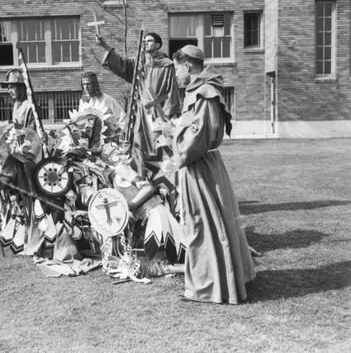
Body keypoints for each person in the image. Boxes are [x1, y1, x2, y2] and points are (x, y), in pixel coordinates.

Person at [168, 45, 255, 304]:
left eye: (175, 69)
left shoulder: (203, 94)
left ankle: (209, 286)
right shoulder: (199, 91)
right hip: (204, 165)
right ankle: (213, 280)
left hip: (200, 167)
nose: (175, 75)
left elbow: (198, 137)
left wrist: (172, 137)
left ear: (187, 66)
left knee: (201, 225)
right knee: (210, 224)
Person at [96, 32, 181, 162]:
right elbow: (121, 64)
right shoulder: (138, 64)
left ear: (158, 45)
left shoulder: (167, 65)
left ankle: (161, 174)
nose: (146, 42)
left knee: (159, 145)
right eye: (144, 41)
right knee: (139, 143)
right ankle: (143, 173)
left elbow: (172, 90)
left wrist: (168, 114)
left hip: (159, 111)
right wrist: (105, 46)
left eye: (150, 40)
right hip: (140, 112)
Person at [79, 71, 127, 139]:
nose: (86, 87)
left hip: (108, 137)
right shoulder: (83, 100)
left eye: (88, 84)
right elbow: (80, 120)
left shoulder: (106, 99)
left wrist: (121, 133)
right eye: (83, 84)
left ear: (94, 84)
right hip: (90, 139)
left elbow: (122, 116)